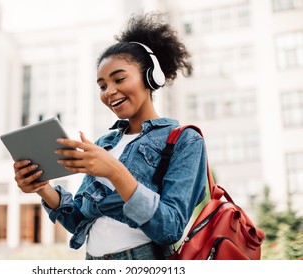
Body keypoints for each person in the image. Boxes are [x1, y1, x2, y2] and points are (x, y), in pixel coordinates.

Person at [13, 12, 208, 260]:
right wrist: (43, 188)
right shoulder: (105, 144)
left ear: (150, 77)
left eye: (119, 79)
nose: (109, 92)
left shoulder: (185, 140)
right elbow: (79, 222)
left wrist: (114, 171)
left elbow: (170, 228)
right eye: (102, 85)